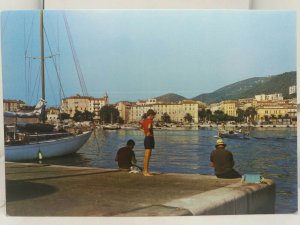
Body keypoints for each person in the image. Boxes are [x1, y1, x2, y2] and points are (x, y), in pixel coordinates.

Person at [140, 109, 156, 176]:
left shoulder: (144, 121)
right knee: (147, 156)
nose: (154, 117)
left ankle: (146, 171)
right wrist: (148, 132)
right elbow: (149, 127)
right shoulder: (150, 121)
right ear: (150, 115)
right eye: (153, 116)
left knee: (147, 156)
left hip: (147, 138)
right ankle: (145, 172)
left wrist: (145, 132)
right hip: (149, 139)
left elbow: (140, 128)